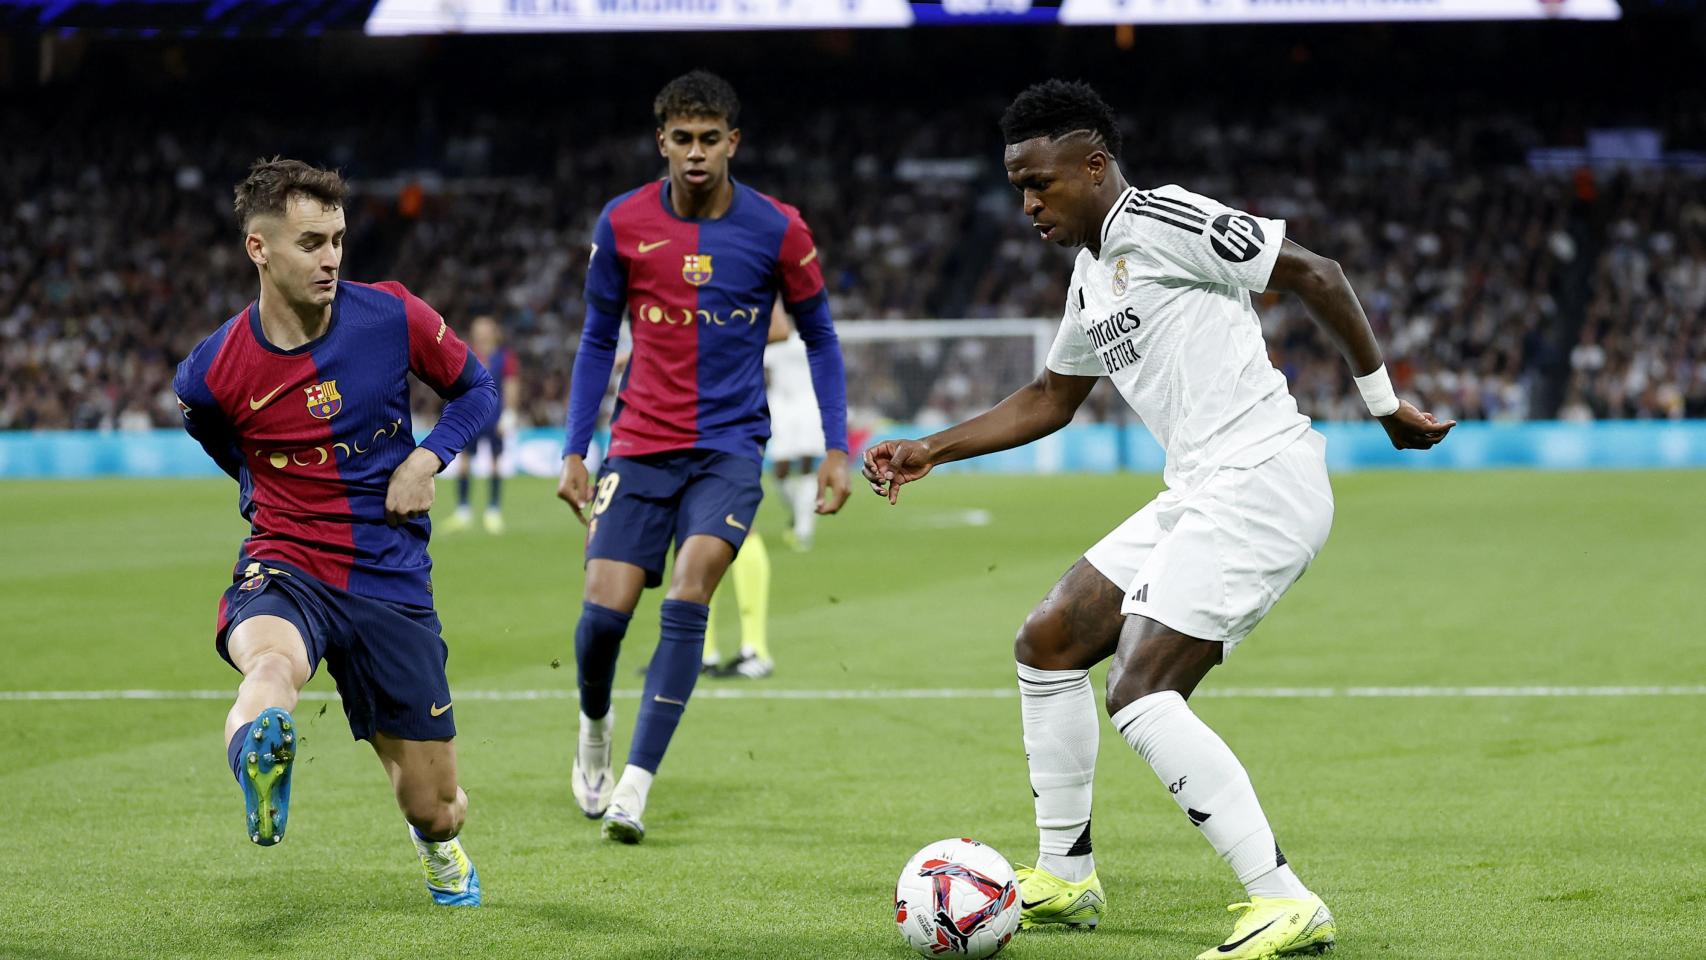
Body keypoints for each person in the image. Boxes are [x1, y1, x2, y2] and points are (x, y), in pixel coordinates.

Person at [861, 81, 1455, 959]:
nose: (1028, 204)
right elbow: (1051, 397)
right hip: (1201, 488)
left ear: (1094, 164)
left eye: (1041, 183)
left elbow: (1315, 274)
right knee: (1050, 639)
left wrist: (1383, 403)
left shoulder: (1167, 220)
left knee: (1141, 688)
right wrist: (932, 449)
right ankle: (1065, 875)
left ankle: (1284, 899)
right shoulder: (1090, 274)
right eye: (1018, 187)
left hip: (1262, 480)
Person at [173, 157, 497, 906]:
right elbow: (218, 436)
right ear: (259, 248)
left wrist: (427, 456)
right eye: (311, 243)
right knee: (271, 668)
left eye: (338, 240)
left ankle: (440, 850)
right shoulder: (214, 370)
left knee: (434, 804)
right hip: (288, 559)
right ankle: (261, 752)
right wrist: (261, 487)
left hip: (388, 573)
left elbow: (475, 388)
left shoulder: (391, 317)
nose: (331, 259)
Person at [556, 70, 851, 843]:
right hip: (639, 446)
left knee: (689, 595)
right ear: (662, 142)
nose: (695, 153)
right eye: (681, 139)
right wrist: (575, 450)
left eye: (709, 139)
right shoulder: (622, 223)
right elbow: (595, 340)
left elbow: (820, 338)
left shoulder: (778, 229)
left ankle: (635, 789)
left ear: (733, 143)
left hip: (728, 448)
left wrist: (837, 449)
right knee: (601, 621)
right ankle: (594, 730)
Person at [449, 314, 520, 534]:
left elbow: (511, 385)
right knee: (464, 463)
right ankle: (463, 511)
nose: (482, 333)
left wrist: (509, 413)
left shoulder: (504, 357)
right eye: (478, 329)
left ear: (494, 332)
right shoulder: (466, 353)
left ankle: (493, 510)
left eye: (486, 329)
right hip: (470, 417)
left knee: (496, 463)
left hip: (494, 418)